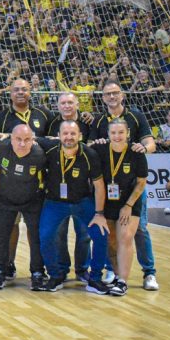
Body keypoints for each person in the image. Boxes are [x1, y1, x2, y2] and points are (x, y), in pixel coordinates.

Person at [90, 80, 159, 291]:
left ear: (122, 95)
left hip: (132, 186)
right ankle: (115, 271)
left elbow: (151, 143)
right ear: (102, 98)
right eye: (107, 94)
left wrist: (143, 149)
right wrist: (97, 144)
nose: (112, 96)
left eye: (115, 93)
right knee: (111, 235)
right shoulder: (99, 120)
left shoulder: (136, 116)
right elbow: (90, 145)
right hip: (110, 189)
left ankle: (149, 272)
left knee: (139, 230)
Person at [37, 121, 111, 294]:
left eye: (73, 133)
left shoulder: (90, 154)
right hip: (54, 202)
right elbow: (25, 136)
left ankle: (95, 278)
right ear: (59, 135)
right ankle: (55, 276)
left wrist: (99, 213)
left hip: (82, 202)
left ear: (80, 136)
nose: (69, 137)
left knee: (101, 234)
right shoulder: (49, 148)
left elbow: (99, 185)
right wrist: (2, 135)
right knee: (46, 236)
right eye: (65, 133)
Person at [0, 124, 48, 290]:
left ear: (33, 140)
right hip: (5, 199)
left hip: (32, 200)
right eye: (18, 139)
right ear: (10, 138)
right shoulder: (1, 144)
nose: (22, 143)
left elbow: (59, 142)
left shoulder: (40, 154)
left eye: (27, 140)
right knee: (2, 237)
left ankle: (37, 273)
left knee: (35, 237)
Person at [93, 118, 148, 296]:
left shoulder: (136, 151)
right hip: (107, 201)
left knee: (125, 237)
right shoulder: (99, 149)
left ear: (128, 133)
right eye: (113, 133)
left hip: (129, 201)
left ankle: (123, 281)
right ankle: (116, 276)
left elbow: (141, 183)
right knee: (111, 240)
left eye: (121, 132)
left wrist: (128, 205)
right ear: (108, 134)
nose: (117, 136)